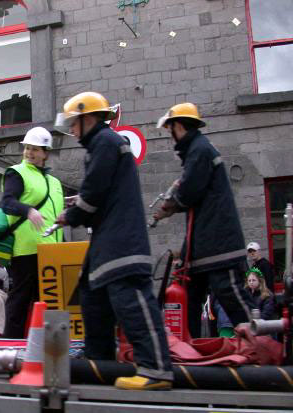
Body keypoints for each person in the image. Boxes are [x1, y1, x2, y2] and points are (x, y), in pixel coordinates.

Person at [55, 92, 173, 390]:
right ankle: (99, 363)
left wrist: (71, 214)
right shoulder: (104, 144)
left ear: (88, 118)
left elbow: (94, 193)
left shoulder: (105, 143)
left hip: (121, 243)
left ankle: (156, 369)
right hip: (109, 242)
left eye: (74, 123)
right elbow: (101, 191)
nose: (71, 130)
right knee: (92, 295)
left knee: (130, 299)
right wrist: (79, 202)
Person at [154, 102, 255, 339]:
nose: (171, 137)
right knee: (188, 295)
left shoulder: (199, 150)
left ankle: (258, 340)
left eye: (171, 131)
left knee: (227, 290)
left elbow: (189, 192)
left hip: (220, 244)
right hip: (204, 244)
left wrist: (169, 205)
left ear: (178, 126)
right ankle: (189, 347)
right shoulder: (197, 151)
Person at [0, 126, 64, 338]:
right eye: (27, 148)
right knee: (20, 300)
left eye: (35, 149)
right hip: (26, 250)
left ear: (46, 152)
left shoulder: (54, 182)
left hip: (52, 252)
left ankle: (49, 348)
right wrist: (27, 210)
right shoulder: (17, 172)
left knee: (49, 302)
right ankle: (11, 345)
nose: (29, 152)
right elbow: (7, 203)